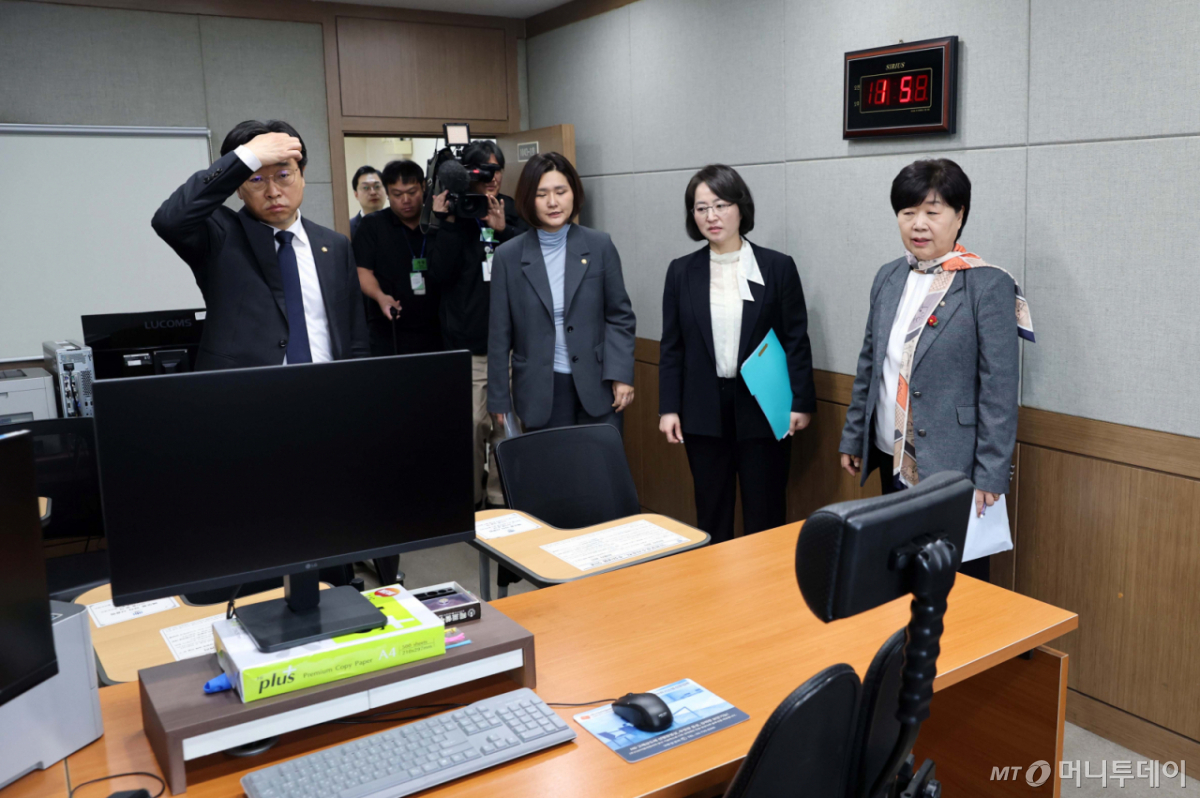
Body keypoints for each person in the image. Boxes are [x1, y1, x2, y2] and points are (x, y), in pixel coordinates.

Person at [838, 158, 1034, 582]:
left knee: (956, 581)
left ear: (959, 215)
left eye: (932, 211)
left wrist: (991, 474)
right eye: (908, 213)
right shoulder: (888, 276)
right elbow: (870, 363)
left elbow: (999, 390)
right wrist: (855, 435)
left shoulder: (986, 284)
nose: (918, 224)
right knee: (898, 574)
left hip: (954, 467)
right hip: (892, 457)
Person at [658, 164, 816, 545]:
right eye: (700, 208)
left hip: (764, 404)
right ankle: (717, 594)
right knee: (712, 510)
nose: (711, 216)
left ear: (741, 208)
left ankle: (766, 593)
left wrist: (801, 402)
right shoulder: (681, 272)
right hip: (702, 408)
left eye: (721, 204)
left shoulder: (777, 267)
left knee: (766, 509)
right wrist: (668, 408)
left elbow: (796, 339)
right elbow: (672, 346)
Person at [152, 119, 369, 370]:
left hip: (329, 391)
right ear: (238, 189)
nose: (273, 191)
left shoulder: (334, 245)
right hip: (247, 395)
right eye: (255, 179)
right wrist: (246, 157)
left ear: (303, 176)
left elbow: (355, 337)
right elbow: (169, 220)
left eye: (284, 175)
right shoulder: (219, 235)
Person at [487, 152, 636, 434]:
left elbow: (620, 317)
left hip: (599, 385)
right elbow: (498, 334)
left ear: (573, 193)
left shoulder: (599, 245)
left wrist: (621, 375)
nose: (553, 202)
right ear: (528, 199)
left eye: (560, 191)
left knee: (597, 474)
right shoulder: (508, 256)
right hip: (539, 390)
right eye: (542, 194)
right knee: (552, 474)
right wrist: (498, 397)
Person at [426, 141, 527, 508]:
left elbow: (530, 274)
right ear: (467, 175)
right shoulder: (454, 212)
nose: (493, 177)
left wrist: (503, 232)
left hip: (511, 345)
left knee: (508, 429)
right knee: (471, 428)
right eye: (483, 171)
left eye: (497, 169)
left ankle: (503, 502)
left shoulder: (512, 211)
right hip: (469, 345)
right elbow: (438, 275)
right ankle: (469, 504)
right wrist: (448, 222)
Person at [353, 159, 442, 356]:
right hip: (389, 327)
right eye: (397, 194)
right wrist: (381, 297)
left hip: (438, 327)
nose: (406, 200)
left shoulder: (438, 223)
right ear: (387, 193)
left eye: (412, 192)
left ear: (423, 188)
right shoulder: (372, 225)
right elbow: (362, 271)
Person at [349, 165, 384, 237]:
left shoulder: (400, 224)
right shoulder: (348, 228)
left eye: (377, 186)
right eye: (366, 188)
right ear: (356, 194)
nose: (373, 192)